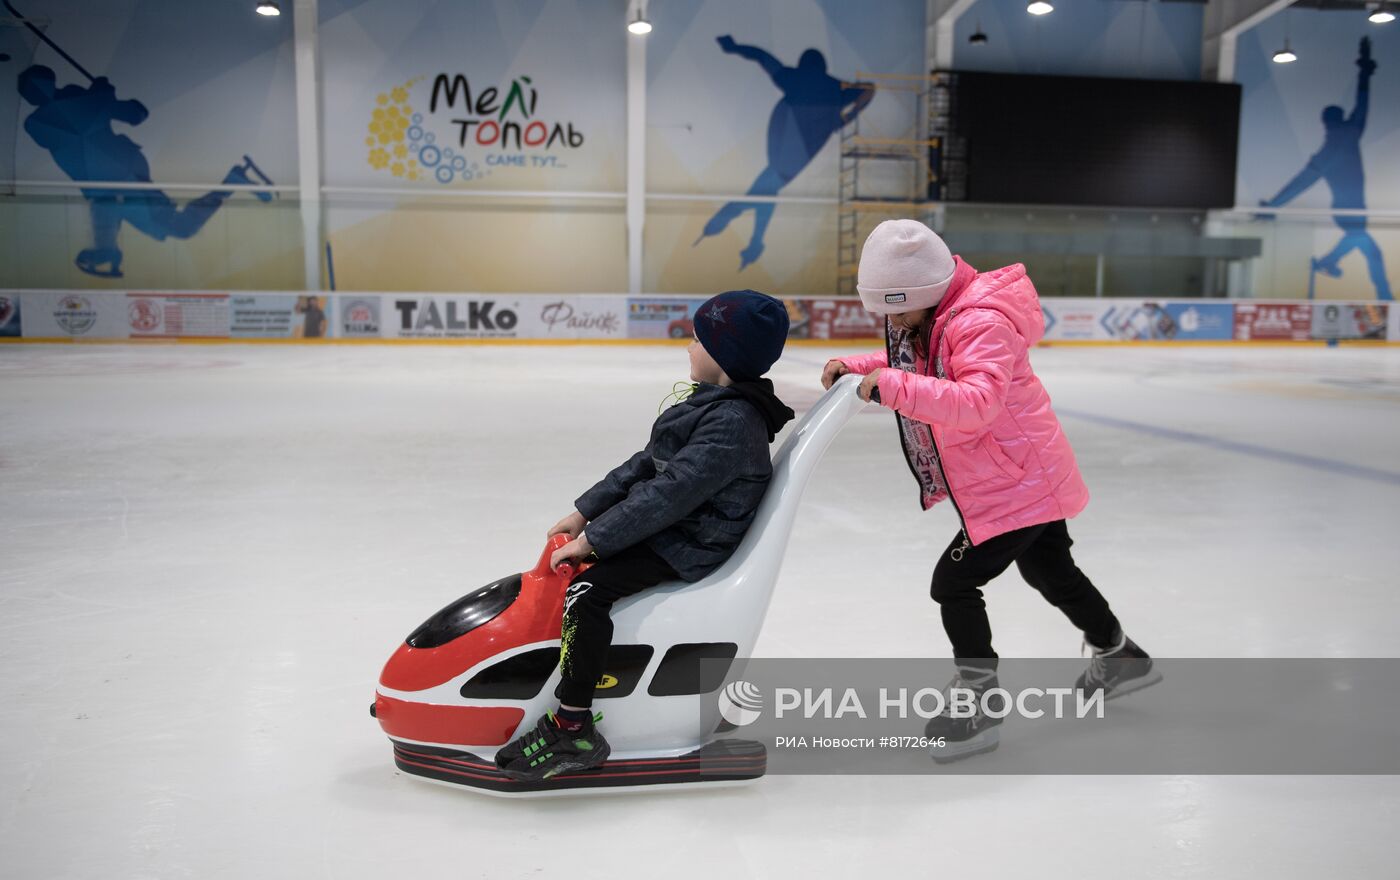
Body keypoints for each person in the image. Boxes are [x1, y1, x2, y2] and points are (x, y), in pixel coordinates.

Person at [821, 219, 1158, 761]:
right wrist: (861, 366)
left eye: (895, 309)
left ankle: (978, 700)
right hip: (1026, 475)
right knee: (1051, 571)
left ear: (924, 294)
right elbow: (924, 367)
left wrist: (889, 386)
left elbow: (976, 402)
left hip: (1017, 485)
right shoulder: (944, 314)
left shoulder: (979, 321)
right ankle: (1119, 653)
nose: (892, 322)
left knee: (952, 584)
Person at [495, 289, 795, 781]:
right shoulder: (713, 405)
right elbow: (645, 465)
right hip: (681, 527)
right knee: (585, 574)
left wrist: (594, 541)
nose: (688, 348)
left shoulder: (732, 422)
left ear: (724, 355)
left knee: (586, 592)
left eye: (698, 340)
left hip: (692, 542)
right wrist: (584, 512)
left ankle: (573, 727)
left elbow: (669, 494)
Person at [17, 65, 274, 279]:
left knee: (172, 224)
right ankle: (107, 249)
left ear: (50, 80)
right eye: (31, 90)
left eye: (36, 85)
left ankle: (107, 249)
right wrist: (103, 96)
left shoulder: (73, 106)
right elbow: (85, 119)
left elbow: (136, 113)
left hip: (127, 179)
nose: (37, 92)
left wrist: (104, 97)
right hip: (114, 183)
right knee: (110, 206)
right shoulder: (40, 122)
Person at [694, 38, 874, 270]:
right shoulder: (835, 87)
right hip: (802, 150)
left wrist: (735, 46)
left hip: (786, 145)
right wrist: (849, 116)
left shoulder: (794, 78)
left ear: (802, 64)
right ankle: (748, 237)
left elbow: (762, 56)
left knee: (767, 187)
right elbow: (870, 89)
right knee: (769, 188)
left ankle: (733, 225)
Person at [1259, 37, 1391, 301]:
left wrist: (1273, 206)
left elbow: (1299, 183)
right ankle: (1340, 270)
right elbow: (1362, 104)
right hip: (1349, 210)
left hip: (1346, 209)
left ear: (1325, 125)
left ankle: (1335, 267)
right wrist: (1364, 70)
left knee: (1370, 249)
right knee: (1361, 240)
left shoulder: (1329, 151)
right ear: (1338, 120)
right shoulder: (1350, 134)